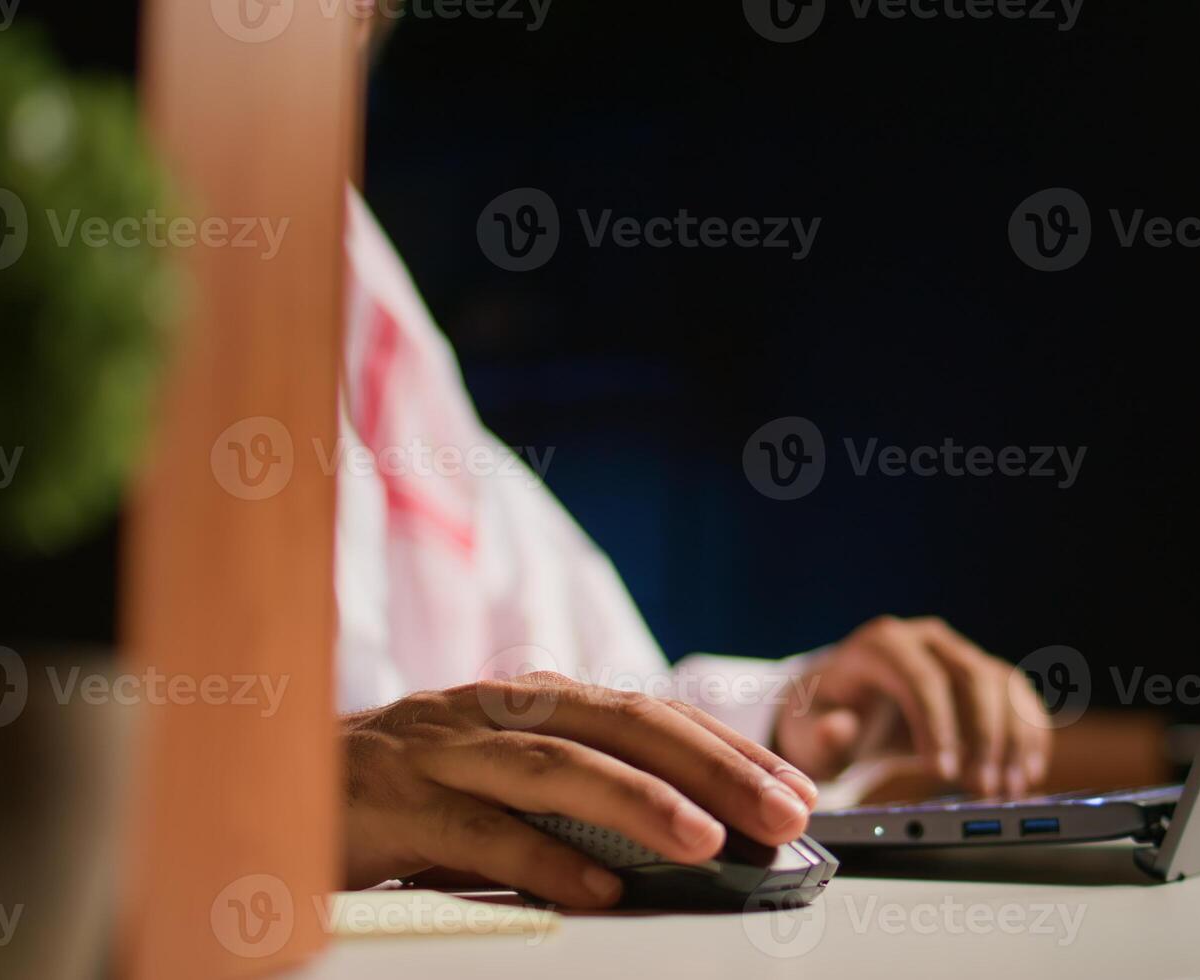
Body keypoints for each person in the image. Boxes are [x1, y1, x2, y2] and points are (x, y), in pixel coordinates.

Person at [333, 9, 1050, 908]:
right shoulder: (141, 235)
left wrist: (796, 722)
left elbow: (572, 701)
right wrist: (305, 780)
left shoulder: (361, 293)